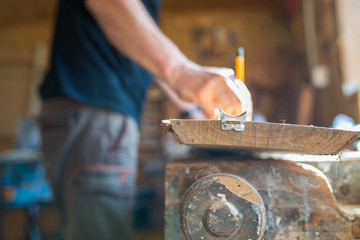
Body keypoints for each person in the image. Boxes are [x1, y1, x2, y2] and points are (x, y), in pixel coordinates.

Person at [39, 0, 252, 239]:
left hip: (94, 112)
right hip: (96, 112)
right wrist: (182, 71)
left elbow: (138, 47)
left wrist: (189, 110)